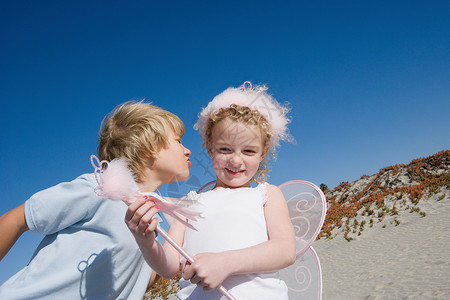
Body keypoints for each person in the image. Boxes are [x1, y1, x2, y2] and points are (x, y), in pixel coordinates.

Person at [0, 101, 192, 299]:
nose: (188, 150)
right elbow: (17, 220)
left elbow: (144, 278)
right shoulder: (99, 188)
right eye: (178, 141)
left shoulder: (148, 218)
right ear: (149, 147)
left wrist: (178, 225)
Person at [126, 82, 296, 299]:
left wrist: (226, 262)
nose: (236, 159)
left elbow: (285, 250)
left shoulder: (266, 195)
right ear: (209, 148)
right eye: (225, 149)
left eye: (249, 151)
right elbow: (168, 266)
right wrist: (145, 240)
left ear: (263, 153)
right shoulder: (189, 203)